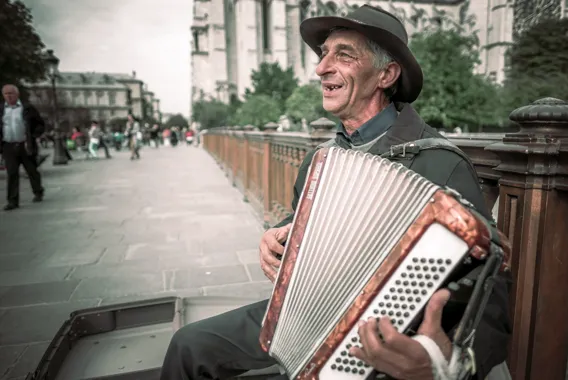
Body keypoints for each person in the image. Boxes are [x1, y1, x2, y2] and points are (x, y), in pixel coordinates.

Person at [160, 5, 511, 380]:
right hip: (305, 312)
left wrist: (444, 362)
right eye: (323, 53)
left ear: (386, 74)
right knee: (189, 344)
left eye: (343, 55)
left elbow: (494, 289)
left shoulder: (440, 162)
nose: (321, 68)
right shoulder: (321, 159)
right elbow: (306, 225)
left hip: (387, 335)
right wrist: (277, 236)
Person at [0, 84, 45, 211]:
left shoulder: (27, 108)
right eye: (6, 94)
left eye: (11, 93)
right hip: (8, 145)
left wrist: (34, 135)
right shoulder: (1, 109)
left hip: (25, 144)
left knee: (31, 170)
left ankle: (38, 192)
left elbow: (40, 124)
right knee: (12, 173)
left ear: (17, 94)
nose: (9, 96)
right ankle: (12, 201)